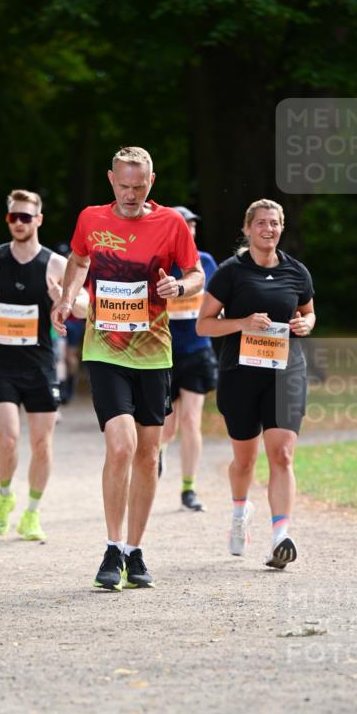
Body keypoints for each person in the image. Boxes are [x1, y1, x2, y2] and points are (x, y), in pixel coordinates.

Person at [52, 146, 204, 591]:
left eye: (139, 187)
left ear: (151, 182)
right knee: (120, 445)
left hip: (154, 351)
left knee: (147, 452)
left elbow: (195, 273)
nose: (131, 194)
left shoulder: (171, 223)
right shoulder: (91, 219)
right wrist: (65, 299)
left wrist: (179, 284)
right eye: (123, 186)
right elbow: (79, 260)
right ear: (111, 180)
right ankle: (112, 546)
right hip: (104, 348)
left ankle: (135, 551)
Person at [197, 199, 316, 568]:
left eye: (275, 223)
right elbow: (204, 324)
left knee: (282, 454)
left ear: (282, 228)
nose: (269, 229)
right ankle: (238, 513)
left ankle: (280, 536)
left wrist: (306, 325)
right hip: (240, 374)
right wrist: (241, 323)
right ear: (247, 228)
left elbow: (309, 313)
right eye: (261, 223)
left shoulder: (297, 272)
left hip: (286, 371)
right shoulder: (231, 272)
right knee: (245, 460)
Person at [0, 190, 87, 540]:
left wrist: (62, 298)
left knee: (41, 444)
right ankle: (5, 496)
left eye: (25, 217)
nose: (18, 222)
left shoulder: (55, 263)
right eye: (13, 217)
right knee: (8, 438)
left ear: (38, 220)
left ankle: (32, 513)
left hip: (39, 365)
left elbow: (83, 305)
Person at [159, 205, 219, 511]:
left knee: (192, 420)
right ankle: (159, 450)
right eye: (184, 225)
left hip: (197, 351)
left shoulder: (206, 263)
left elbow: (222, 299)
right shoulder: (160, 264)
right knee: (167, 428)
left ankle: (188, 488)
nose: (190, 231)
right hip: (164, 354)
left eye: (193, 226)